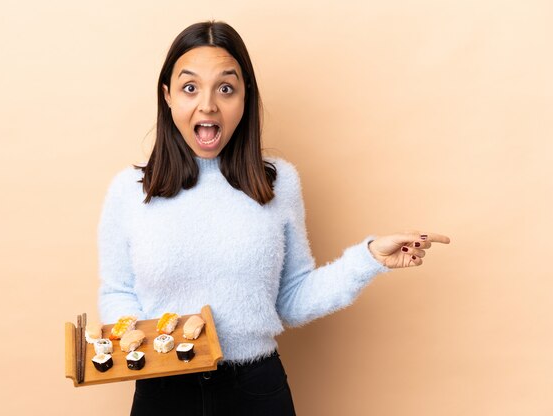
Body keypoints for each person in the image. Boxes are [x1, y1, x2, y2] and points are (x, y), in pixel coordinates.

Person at [97, 20, 450, 416]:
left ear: (245, 97)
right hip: (162, 392)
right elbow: (117, 292)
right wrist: (149, 345)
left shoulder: (278, 183)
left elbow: (291, 300)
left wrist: (367, 260)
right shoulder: (129, 190)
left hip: (256, 392)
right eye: (190, 87)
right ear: (167, 96)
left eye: (226, 88)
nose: (208, 105)